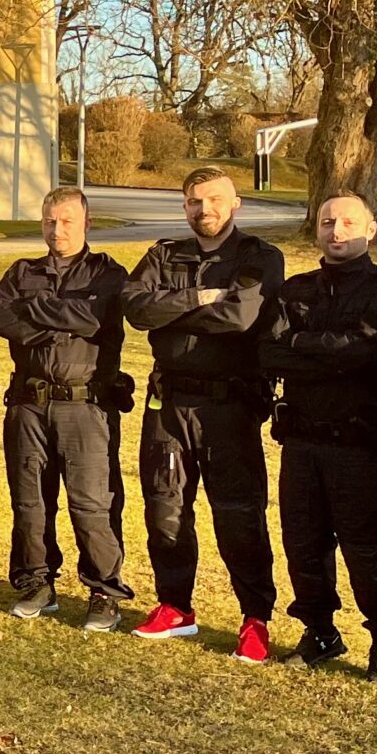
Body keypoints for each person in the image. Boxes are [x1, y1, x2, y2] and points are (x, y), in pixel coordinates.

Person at [123, 165, 288, 659]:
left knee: (238, 514)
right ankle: (175, 606)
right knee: (165, 507)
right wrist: (197, 297)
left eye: (214, 199)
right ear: (184, 206)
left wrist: (168, 311)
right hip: (169, 403)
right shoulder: (163, 254)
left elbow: (240, 316)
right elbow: (135, 309)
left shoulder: (259, 257)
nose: (204, 209)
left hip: (229, 405)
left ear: (235, 202)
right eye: (194, 201)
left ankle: (255, 618)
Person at [258, 193, 377, 680]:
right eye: (328, 222)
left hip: (362, 442)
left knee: (367, 547)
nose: (336, 230)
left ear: (371, 230)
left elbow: (364, 352)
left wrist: (302, 345)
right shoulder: (296, 289)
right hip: (303, 439)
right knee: (303, 543)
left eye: (349, 221)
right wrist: (323, 351)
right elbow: (268, 352)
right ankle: (320, 631)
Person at [0, 187, 135, 630]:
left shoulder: (108, 273)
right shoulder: (22, 270)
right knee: (30, 501)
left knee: (92, 503)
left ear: (87, 223)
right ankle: (36, 583)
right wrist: (51, 325)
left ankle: (104, 592)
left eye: (68, 221)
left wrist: (35, 310)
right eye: (51, 221)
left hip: (84, 404)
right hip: (29, 404)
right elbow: (0, 318)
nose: (58, 229)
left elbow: (93, 319)